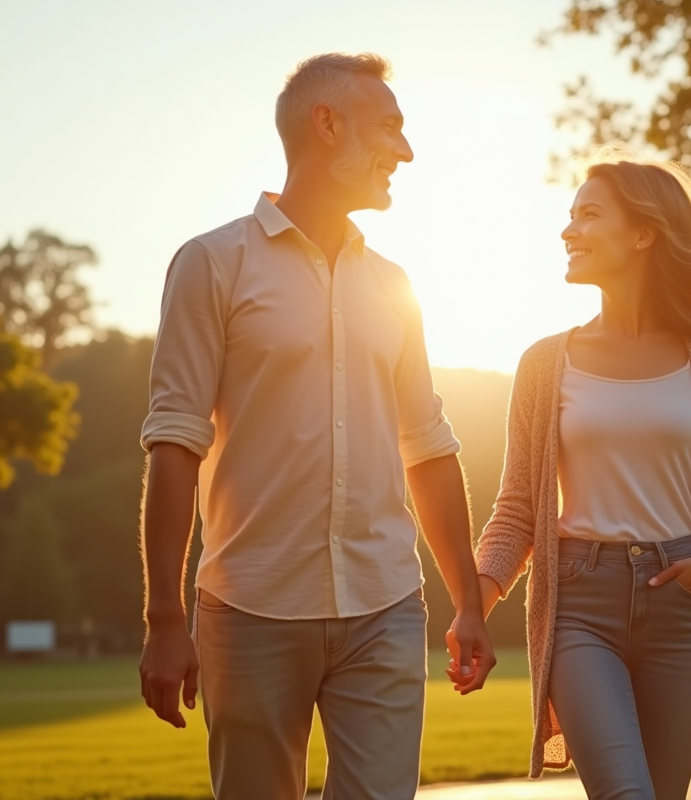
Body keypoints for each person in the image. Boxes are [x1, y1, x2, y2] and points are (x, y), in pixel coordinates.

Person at [138, 52, 495, 800]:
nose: (406, 151)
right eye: (390, 128)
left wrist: (467, 597)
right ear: (325, 125)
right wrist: (165, 617)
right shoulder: (212, 264)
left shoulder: (396, 285)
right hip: (249, 606)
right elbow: (174, 442)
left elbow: (428, 446)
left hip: (385, 604)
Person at [466, 160, 691, 800]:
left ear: (644, 234)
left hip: (685, 604)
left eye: (589, 214)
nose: (568, 230)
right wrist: (476, 604)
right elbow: (518, 509)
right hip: (581, 605)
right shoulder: (544, 363)